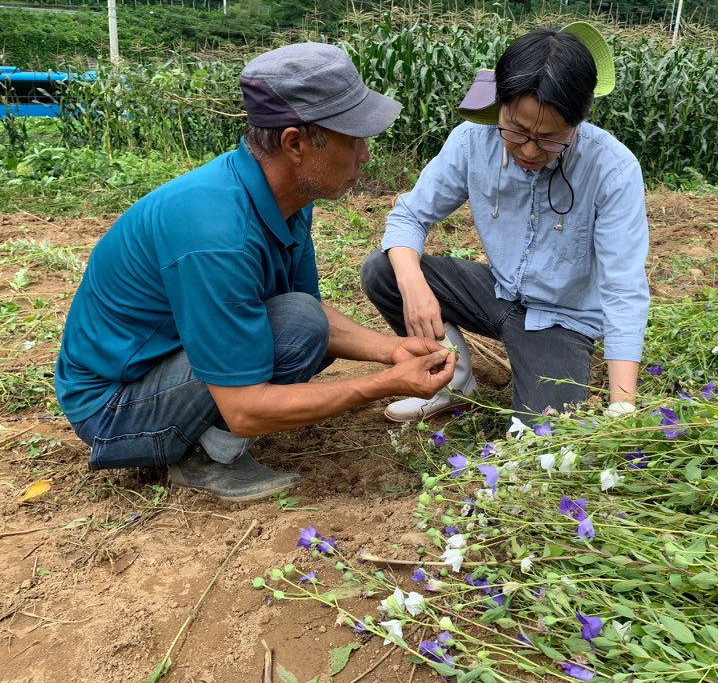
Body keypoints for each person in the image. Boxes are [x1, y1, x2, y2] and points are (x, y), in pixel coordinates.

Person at [55, 43, 455, 502]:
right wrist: (384, 385)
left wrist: (393, 350)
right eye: (352, 139)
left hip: (166, 363)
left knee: (302, 320)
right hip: (114, 410)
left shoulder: (287, 199)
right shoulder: (215, 232)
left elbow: (308, 317)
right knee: (297, 327)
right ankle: (208, 457)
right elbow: (245, 410)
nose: (364, 156)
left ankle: (204, 434)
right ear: (295, 143)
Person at [361, 22, 649, 423]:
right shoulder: (472, 140)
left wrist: (622, 403)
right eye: (516, 130)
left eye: (549, 138)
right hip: (495, 294)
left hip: (561, 320)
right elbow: (410, 214)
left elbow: (623, 288)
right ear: (502, 105)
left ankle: (539, 386)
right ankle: (452, 383)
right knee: (385, 270)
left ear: (577, 123)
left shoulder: (612, 169)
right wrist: (413, 289)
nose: (529, 149)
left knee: (543, 438)